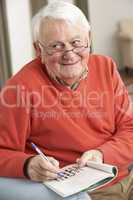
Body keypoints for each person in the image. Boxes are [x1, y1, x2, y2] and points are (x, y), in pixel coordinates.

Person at [0, 1, 133, 200]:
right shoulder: (19, 88)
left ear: (89, 39)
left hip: (125, 175)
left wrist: (101, 154)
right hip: (83, 193)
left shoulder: (106, 67)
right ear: (39, 50)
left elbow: (129, 129)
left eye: (76, 42)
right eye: (56, 46)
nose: (69, 54)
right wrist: (27, 165)